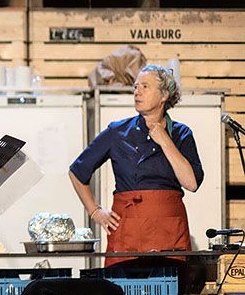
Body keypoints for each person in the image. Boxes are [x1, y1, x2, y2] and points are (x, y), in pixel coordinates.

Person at [69, 64, 203, 267]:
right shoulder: (117, 132)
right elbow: (77, 172)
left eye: (145, 86)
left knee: (169, 293)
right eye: (135, 87)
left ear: (164, 95)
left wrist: (164, 140)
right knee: (123, 294)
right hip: (127, 233)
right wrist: (95, 211)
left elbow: (191, 183)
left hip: (169, 235)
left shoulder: (182, 134)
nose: (137, 92)